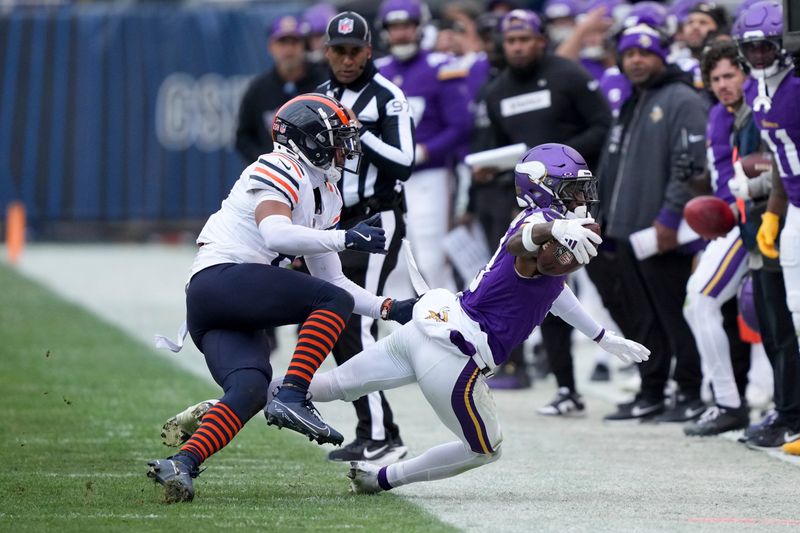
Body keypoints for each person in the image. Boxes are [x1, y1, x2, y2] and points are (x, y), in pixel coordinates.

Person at [271, 143, 650, 493]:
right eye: (572, 189)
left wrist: (602, 336)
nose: (582, 198)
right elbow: (523, 242)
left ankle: (241, 397)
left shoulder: (543, 227)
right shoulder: (539, 223)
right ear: (542, 187)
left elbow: (553, 293)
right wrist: (555, 227)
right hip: (456, 357)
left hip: (430, 326)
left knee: (333, 384)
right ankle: (380, 480)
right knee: (485, 449)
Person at [146, 93, 415, 503]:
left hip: (228, 306)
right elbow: (275, 233)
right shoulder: (278, 165)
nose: (345, 148)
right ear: (310, 139)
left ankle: (182, 462)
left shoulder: (326, 191)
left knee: (250, 389)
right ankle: (292, 395)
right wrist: (346, 237)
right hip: (219, 281)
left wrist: (388, 307)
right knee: (327, 307)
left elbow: (334, 281)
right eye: (337, 138)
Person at [472, 8, 612, 396]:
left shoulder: (568, 74)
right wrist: (493, 169)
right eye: (511, 41)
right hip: (532, 204)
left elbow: (604, 126)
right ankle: (562, 383)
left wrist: (558, 160)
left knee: (604, 283)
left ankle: (631, 370)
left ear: (541, 40)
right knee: (542, 280)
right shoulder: (497, 89)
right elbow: (496, 147)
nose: (517, 47)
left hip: (581, 197)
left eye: (524, 39)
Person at [318, 11, 417, 465]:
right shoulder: (320, 95)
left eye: (354, 50)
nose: (346, 59)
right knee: (336, 319)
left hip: (377, 219)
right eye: (338, 51)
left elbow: (404, 162)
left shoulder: (388, 97)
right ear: (326, 52)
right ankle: (379, 427)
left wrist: (357, 131)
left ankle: (378, 433)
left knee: (354, 319)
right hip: (336, 222)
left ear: (369, 50)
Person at [596, 24, 708, 422]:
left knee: (674, 314)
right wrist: (604, 221)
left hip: (663, 232)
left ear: (662, 55)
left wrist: (669, 216)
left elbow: (692, 166)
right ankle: (653, 389)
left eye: (645, 53)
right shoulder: (632, 100)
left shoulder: (682, 98)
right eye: (629, 54)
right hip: (625, 230)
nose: (636, 60)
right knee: (643, 318)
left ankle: (692, 392)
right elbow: (612, 164)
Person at [732, 0, 800, 451]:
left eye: (766, 46)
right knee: (795, 312)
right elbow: (778, 158)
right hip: (794, 204)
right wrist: (775, 212)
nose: (759, 55)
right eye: (751, 47)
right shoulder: (758, 90)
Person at [681, 40, 754, 436]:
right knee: (697, 303)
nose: (724, 84)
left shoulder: (754, 110)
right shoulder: (716, 113)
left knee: (703, 299)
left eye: (730, 75)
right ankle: (725, 399)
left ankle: (729, 401)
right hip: (725, 221)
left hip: (748, 219)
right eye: (716, 78)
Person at [375, 0, 473, 293]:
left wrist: (426, 150)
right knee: (391, 260)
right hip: (388, 178)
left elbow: (461, 125)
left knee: (430, 257)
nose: (401, 34)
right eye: (395, 27)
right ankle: (400, 331)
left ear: (419, 28)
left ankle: (444, 326)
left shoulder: (439, 67)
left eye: (406, 26)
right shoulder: (378, 72)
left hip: (429, 174)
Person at [235, 15, 327, 164]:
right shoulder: (259, 89)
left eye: (294, 42)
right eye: (282, 42)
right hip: (272, 176)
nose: (289, 49)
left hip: (315, 173)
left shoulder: (322, 83)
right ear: (271, 46)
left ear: (304, 45)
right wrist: (263, 161)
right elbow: (243, 136)